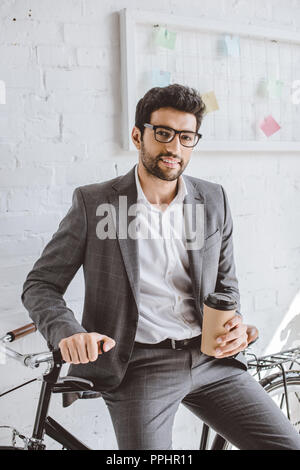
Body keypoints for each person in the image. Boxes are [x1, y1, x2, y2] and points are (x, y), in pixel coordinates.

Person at [22, 84, 300, 450]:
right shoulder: (95, 203)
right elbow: (40, 284)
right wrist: (67, 332)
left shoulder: (213, 198)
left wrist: (234, 327)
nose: (174, 147)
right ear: (139, 135)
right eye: (164, 133)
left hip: (210, 359)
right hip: (138, 366)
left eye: (186, 137)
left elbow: (225, 286)